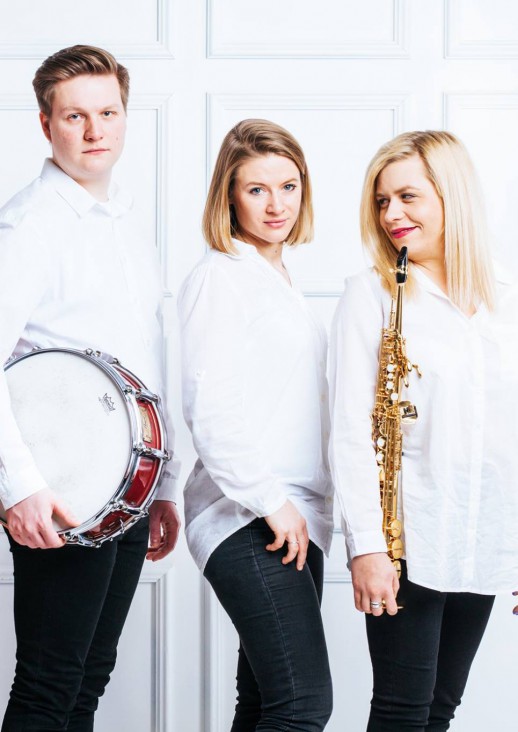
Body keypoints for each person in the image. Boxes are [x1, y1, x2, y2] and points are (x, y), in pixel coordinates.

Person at [0, 45, 180, 731]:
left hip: (124, 489)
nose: (95, 129)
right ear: (47, 124)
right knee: (50, 681)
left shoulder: (126, 230)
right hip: (59, 491)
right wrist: (18, 487)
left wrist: (161, 487)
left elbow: (147, 368)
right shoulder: (28, 227)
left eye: (108, 112)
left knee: (90, 673)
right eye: (76, 115)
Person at [329, 129, 518, 731]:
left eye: (408, 197)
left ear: (451, 195)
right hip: (405, 540)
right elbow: (351, 431)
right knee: (402, 711)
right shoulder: (372, 297)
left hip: (482, 539)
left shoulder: (506, 301)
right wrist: (366, 546)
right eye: (382, 201)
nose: (392, 215)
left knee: (441, 707)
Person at [178, 119, 334, 731]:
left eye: (289, 186)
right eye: (257, 189)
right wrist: (272, 502)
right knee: (301, 708)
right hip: (252, 514)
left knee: (269, 704)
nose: (277, 205)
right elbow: (209, 406)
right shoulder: (221, 276)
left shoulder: (280, 281)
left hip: (296, 513)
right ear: (229, 195)